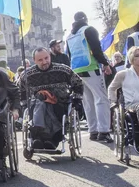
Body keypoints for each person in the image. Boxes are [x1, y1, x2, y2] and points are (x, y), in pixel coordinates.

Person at [18, 48, 84, 150]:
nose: (44, 62)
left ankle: (42, 137)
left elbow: (78, 82)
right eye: (40, 60)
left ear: (50, 56)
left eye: (46, 58)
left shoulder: (63, 70)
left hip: (59, 104)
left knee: (46, 106)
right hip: (36, 105)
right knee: (41, 103)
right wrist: (23, 105)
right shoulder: (26, 75)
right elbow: (19, 90)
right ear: (34, 60)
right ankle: (45, 139)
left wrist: (77, 99)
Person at [66, 11, 113, 142]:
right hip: (91, 68)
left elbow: (69, 55)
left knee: (88, 102)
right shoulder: (89, 30)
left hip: (77, 70)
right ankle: (104, 131)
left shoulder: (69, 36)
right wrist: (105, 63)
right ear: (86, 19)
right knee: (101, 99)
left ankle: (93, 131)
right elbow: (96, 49)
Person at [108, 46, 139, 148]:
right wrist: (113, 102)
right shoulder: (123, 74)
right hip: (132, 105)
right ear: (131, 58)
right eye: (137, 55)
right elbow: (112, 88)